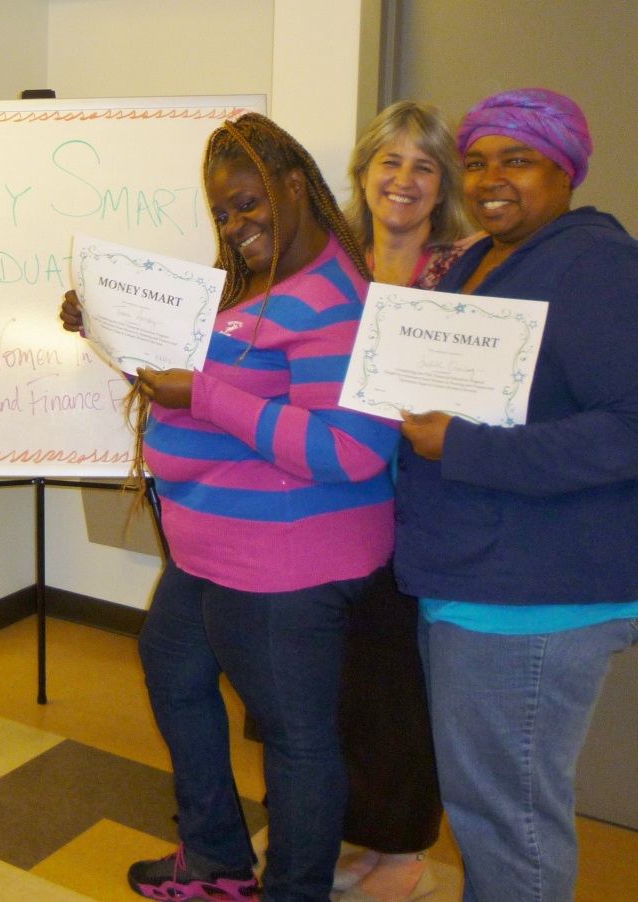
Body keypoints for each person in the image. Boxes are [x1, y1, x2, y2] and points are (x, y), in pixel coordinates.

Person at [62, 113, 399, 902]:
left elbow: (350, 450)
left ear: (294, 185)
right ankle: (215, 857)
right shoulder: (257, 282)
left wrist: (205, 395)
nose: (236, 225)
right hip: (215, 548)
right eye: (222, 212)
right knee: (172, 666)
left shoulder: (333, 299)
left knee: (297, 741)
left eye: (248, 204)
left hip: (286, 561)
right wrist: (108, 328)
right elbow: (210, 382)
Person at [395, 88, 638, 902]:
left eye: (519, 159)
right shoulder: (478, 259)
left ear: (565, 169)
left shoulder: (596, 263)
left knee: (509, 822)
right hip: (473, 577)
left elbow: (628, 428)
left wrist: (459, 445)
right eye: (477, 162)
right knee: (486, 811)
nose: (492, 178)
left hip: (533, 596)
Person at [330, 101, 472, 902]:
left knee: (401, 688)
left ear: (441, 184)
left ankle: (404, 852)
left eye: (425, 166)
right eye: (391, 161)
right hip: (332, 500)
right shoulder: (334, 261)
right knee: (341, 682)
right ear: (364, 170)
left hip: (421, 508)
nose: (404, 180)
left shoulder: (467, 267)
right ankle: (362, 836)